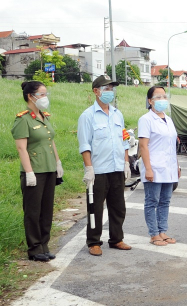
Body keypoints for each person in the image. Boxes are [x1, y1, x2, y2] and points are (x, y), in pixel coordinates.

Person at [77, 75, 132, 256]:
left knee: (118, 207)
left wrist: (126, 162)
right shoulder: (87, 116)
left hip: (116, 168)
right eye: (106, 88)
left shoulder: (117, 114)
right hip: (99, 170)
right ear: (96, 91)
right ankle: (94, 241)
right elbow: (85, 145)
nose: (110, 92)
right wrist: (89, 168)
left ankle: (117, 239)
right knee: (96, 207)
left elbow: (124, 141)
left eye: (112, 88)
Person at [12, 81, 63, 262]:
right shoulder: (23, 119)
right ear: (30, 96)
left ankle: (44, 245)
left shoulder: (44, 117)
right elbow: (21, 149)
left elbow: (51, 141)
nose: (45, 97)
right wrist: (29, 172)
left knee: (46, 210)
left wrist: (57, 163)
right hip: (34, 172)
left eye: (45, 94)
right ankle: (34, 249)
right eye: (41, 94)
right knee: (33, 212)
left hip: (49, 169)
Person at [138, 86, 180, 246]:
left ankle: (163, 231)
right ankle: (154, 234)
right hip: (154, 167)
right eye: (158, 97)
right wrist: (148, 168)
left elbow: (171, 145)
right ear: (150, 101)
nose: (162, 100)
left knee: (165, 201)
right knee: (152, 201)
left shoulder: (168, 119)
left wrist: (177, 165)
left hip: (169, 168)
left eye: (164, 97)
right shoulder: (146, 119)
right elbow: (143, 146)